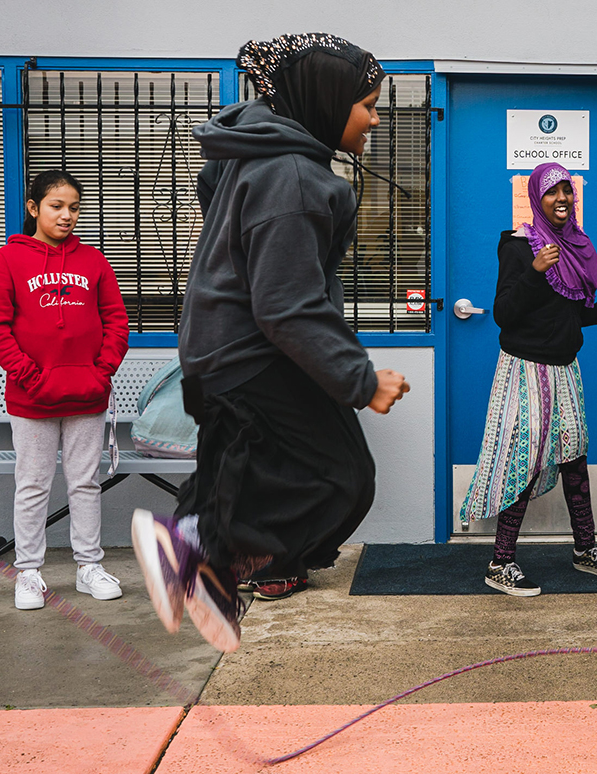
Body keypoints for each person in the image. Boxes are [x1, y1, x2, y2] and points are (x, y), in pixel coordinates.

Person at [131, 34, 409, 653]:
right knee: (342, 478)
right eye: (366, 103)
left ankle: (194, 553)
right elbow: (286, 305)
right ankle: (201, 559)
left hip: (213, 351)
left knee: (238, 474)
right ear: (324, 102)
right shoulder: (293, 178)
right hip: (252, 353)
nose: (375, 117)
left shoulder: (251, 154)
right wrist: (361, 380)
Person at [459, 162, 597, 596]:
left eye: (568, 191)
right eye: (552, 192)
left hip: (566, 370)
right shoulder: (518, 245)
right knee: (523, 462)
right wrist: (533, 270)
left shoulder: (576, 246)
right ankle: (501, 562)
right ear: (537, 198)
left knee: (574, 460)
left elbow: (578, 314)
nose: (562, 199)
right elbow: (504, 314)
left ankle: (585, 550)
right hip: (525, 369)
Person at [0, 169, 130, 610]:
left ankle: (88, 566)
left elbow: (116, 321)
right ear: (33, 208)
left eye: (75, 208)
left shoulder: (93, 261)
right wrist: (30, 375)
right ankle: (28, 573)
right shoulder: (9, 260)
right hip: (32, 397)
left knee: (84, 482)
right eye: (56, 206)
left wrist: (101, 373)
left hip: (87, 395)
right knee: (32, 484)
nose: (67, 216)